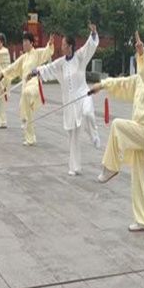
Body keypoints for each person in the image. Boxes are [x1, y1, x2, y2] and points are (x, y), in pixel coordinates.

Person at [91, 31, 144, 232]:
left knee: (117, 125)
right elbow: (121, 83)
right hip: (139, 132)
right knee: (138, 179)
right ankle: (143, 220)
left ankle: (111, 166)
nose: (137, 58)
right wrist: (101, 85)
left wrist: (142, 53)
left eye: (139, 54)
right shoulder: (139, 80)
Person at [29, 23, 101, 175]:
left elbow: (89, 47)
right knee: (73, 136)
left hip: (83, 95)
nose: (61, 47)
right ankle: (74, 167)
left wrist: (93, 34)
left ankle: (94, 135)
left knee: (88, 113)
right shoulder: (61, 63)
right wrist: (36, 71)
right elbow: (48, 68)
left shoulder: (80, 57)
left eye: (63, 45)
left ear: (70, 47)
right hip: (70, 103)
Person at [0, 32, 54, 146]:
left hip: (34, 84)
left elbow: (47, 52)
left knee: (27, 94)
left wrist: (50, 43)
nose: (24, 44)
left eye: (26, 41)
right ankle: (30, 138)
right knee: (27, 113)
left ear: (31, 43)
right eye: (23, 42)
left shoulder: (37, 53)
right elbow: (13, 67)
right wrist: (2, 74)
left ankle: (25, 118)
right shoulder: (23, 57)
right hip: (25, 86)